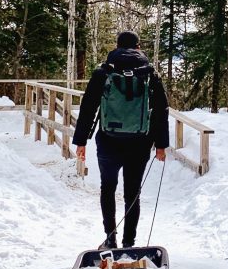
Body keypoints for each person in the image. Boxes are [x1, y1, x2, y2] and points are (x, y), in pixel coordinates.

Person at [73, 31, 170, 249]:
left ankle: (110, 239)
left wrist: (81, 141)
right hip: (140, 142)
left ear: (117, 46)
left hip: (108, 140)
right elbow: (161, 110)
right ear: (138, 47)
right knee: (132, 192)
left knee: (107, 188)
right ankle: (129, 243)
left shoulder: (104, 72)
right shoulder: (149, 74)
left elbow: (88, 107)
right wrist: (161, 145)